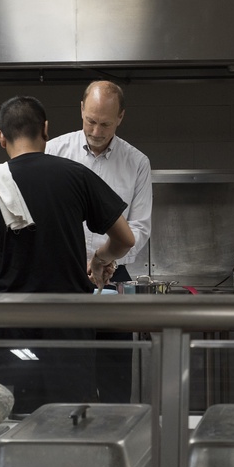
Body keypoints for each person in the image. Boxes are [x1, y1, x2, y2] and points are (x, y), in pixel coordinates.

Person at [0, 95, 135, 414]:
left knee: (22, 418)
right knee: (72, 418)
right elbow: (125, 238)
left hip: (16, 334)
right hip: (71, 331)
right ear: (46, 130)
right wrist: (99, 259)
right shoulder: (75, 175)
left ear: (1, 136)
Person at [46, 80, 152, 403]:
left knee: (114, 378)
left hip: (113, 276)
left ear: (120, 117)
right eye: (90, 120)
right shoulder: (54, 152)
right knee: (66, 377)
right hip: (65, 274)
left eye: (105, 123)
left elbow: (140, 228)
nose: (95, 130)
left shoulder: (137, 163)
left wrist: (108, 261)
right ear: (80, 109)